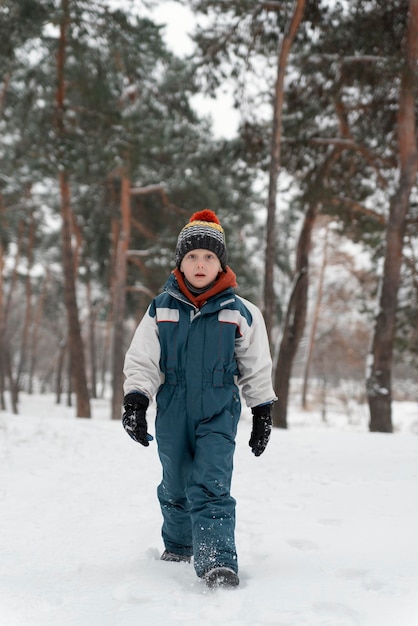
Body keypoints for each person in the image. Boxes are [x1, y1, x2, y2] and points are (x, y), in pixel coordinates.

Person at [122, 209, 276, 589]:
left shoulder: (241, 312)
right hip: (172, 406)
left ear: (221, 262)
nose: (201, 263)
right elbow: (143, 358)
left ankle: (216, 560)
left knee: (211, 484)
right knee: (174, 483)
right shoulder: (161, 308)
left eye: (209, 256)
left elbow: (256, 365)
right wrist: (136, 401)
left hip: (218, 409)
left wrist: (262, 410)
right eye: (192, 256)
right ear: (180, 263)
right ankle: (178, 544)